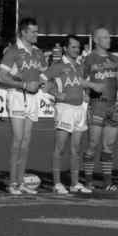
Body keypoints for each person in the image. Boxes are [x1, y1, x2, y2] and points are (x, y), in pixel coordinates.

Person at [41, 35, 100, 194]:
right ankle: (57, 183)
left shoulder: (79, 65)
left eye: (78, 47)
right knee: (59, 148)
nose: (76, 49)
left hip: (79, 109)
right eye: (73, 47)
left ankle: (74, 183)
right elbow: (42, 81)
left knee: (76, 149)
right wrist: (54, 93)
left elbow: (80, 83)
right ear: (65, 48)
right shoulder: (58, 65)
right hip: (64, 110)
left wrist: (87, 92)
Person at [0, 18, 47, 195]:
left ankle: (20, 181)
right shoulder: (12, 51)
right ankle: (12, 183)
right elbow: (1, 77)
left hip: (33, 99)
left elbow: (43, 75)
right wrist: (24, 85)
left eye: (37, 31)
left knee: (26, 142)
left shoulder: (38, 53)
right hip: (18, 96)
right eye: (33, 31)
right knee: (18, 141)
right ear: (23, 32)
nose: (36, 34)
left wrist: (43, 84)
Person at [82, 28, 118, 191]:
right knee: (93, 144)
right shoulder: (89, 59)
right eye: (105, 37)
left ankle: (107, 182)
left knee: (109, 145)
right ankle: (88, 180)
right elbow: (77, 80)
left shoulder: (114, 59)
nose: (109, 39)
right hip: (97, 106)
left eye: (109, 37)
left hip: (112, 107)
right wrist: (85, 95)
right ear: (96, 40)